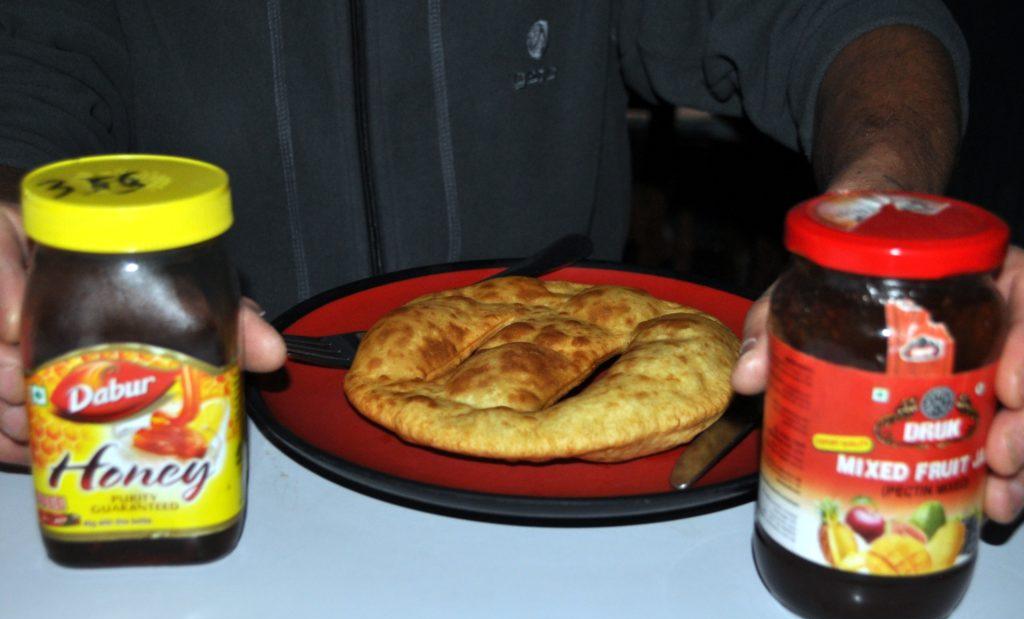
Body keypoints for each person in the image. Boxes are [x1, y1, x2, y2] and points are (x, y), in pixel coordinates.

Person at [0, 1, 1021, 523]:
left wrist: (879, 231)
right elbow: (27, 67)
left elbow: (848, 17)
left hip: (612, 513)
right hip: (183, 468)